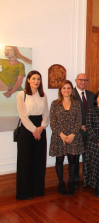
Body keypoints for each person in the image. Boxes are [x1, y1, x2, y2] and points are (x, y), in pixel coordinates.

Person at [16, 70, 49, 200]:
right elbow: (22, 115)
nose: (36, 81)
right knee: (25, 162)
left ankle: (37, 190)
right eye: (33, 78)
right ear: (28, 80)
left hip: (40, 129)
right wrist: (34, 130)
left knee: (39, 161)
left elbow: (46, 113)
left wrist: (41, 127)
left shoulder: (43, 95)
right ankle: (24, 192)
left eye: (38, 79)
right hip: (26, 130)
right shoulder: (21, 95)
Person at [49, 80, 84, 196]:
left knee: (72, 160)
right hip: (59, 137)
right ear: (60, 90)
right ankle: (61, 183)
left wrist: (72, 135)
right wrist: (62, 135)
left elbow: (79, 121)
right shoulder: (55, 104)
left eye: (69, 88)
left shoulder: (77, 104)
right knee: (59, 160)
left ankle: (71, 182)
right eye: (64, 88)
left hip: (74, 137)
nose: (66, 90)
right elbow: (53, 122)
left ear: (71, 90)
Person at [73, 73, 95, 188]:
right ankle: (76, 179)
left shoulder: (91, 95)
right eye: (81, 80)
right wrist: (79, 125)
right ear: (76, 80)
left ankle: (88, 178)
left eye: (85, 80)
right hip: (76, 132)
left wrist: (88, 125)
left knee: (88, 156)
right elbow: (69, 114)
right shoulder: (70, 94)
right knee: (76, 157)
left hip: (89, 131)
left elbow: (94, 113)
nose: (83, 82)